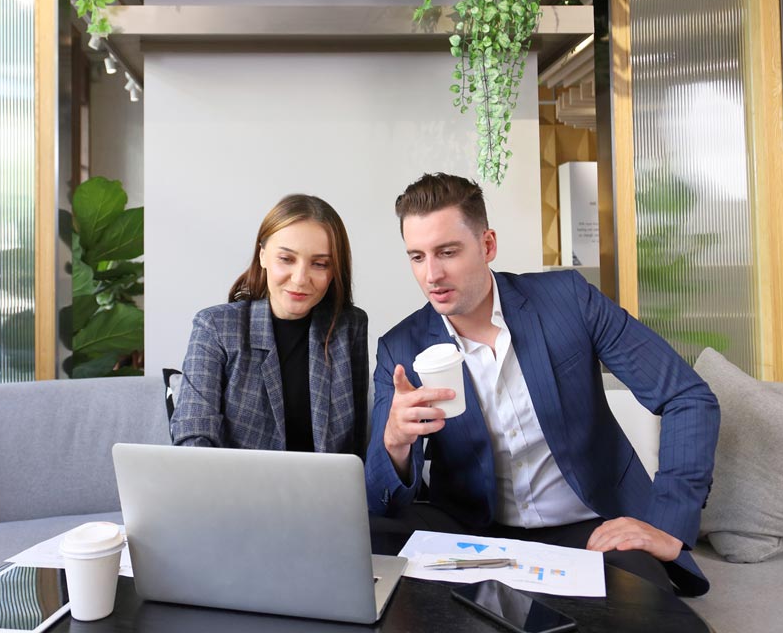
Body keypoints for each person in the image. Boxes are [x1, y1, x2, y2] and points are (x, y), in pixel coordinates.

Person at [365, 173, 720, 596]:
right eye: (417, 257)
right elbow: (380, 498)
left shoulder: (568, 300)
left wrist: (667, 522)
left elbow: (687, 396)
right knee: (368, 538)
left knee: (638, 603)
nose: (432, 274)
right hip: (476, 534)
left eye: (447, 252)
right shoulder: (401, 347)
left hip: (591, 527)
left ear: (487, 245)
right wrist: (395, 442)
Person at [171, 194, 369, 456]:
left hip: (322, 493)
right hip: (235, 491)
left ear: (334, 271)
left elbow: (356, 446)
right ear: (263, 255)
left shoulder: (349, 326)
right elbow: (192, 436)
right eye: (286, 259)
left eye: (320, 264)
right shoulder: (215, 327)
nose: (300, 279)